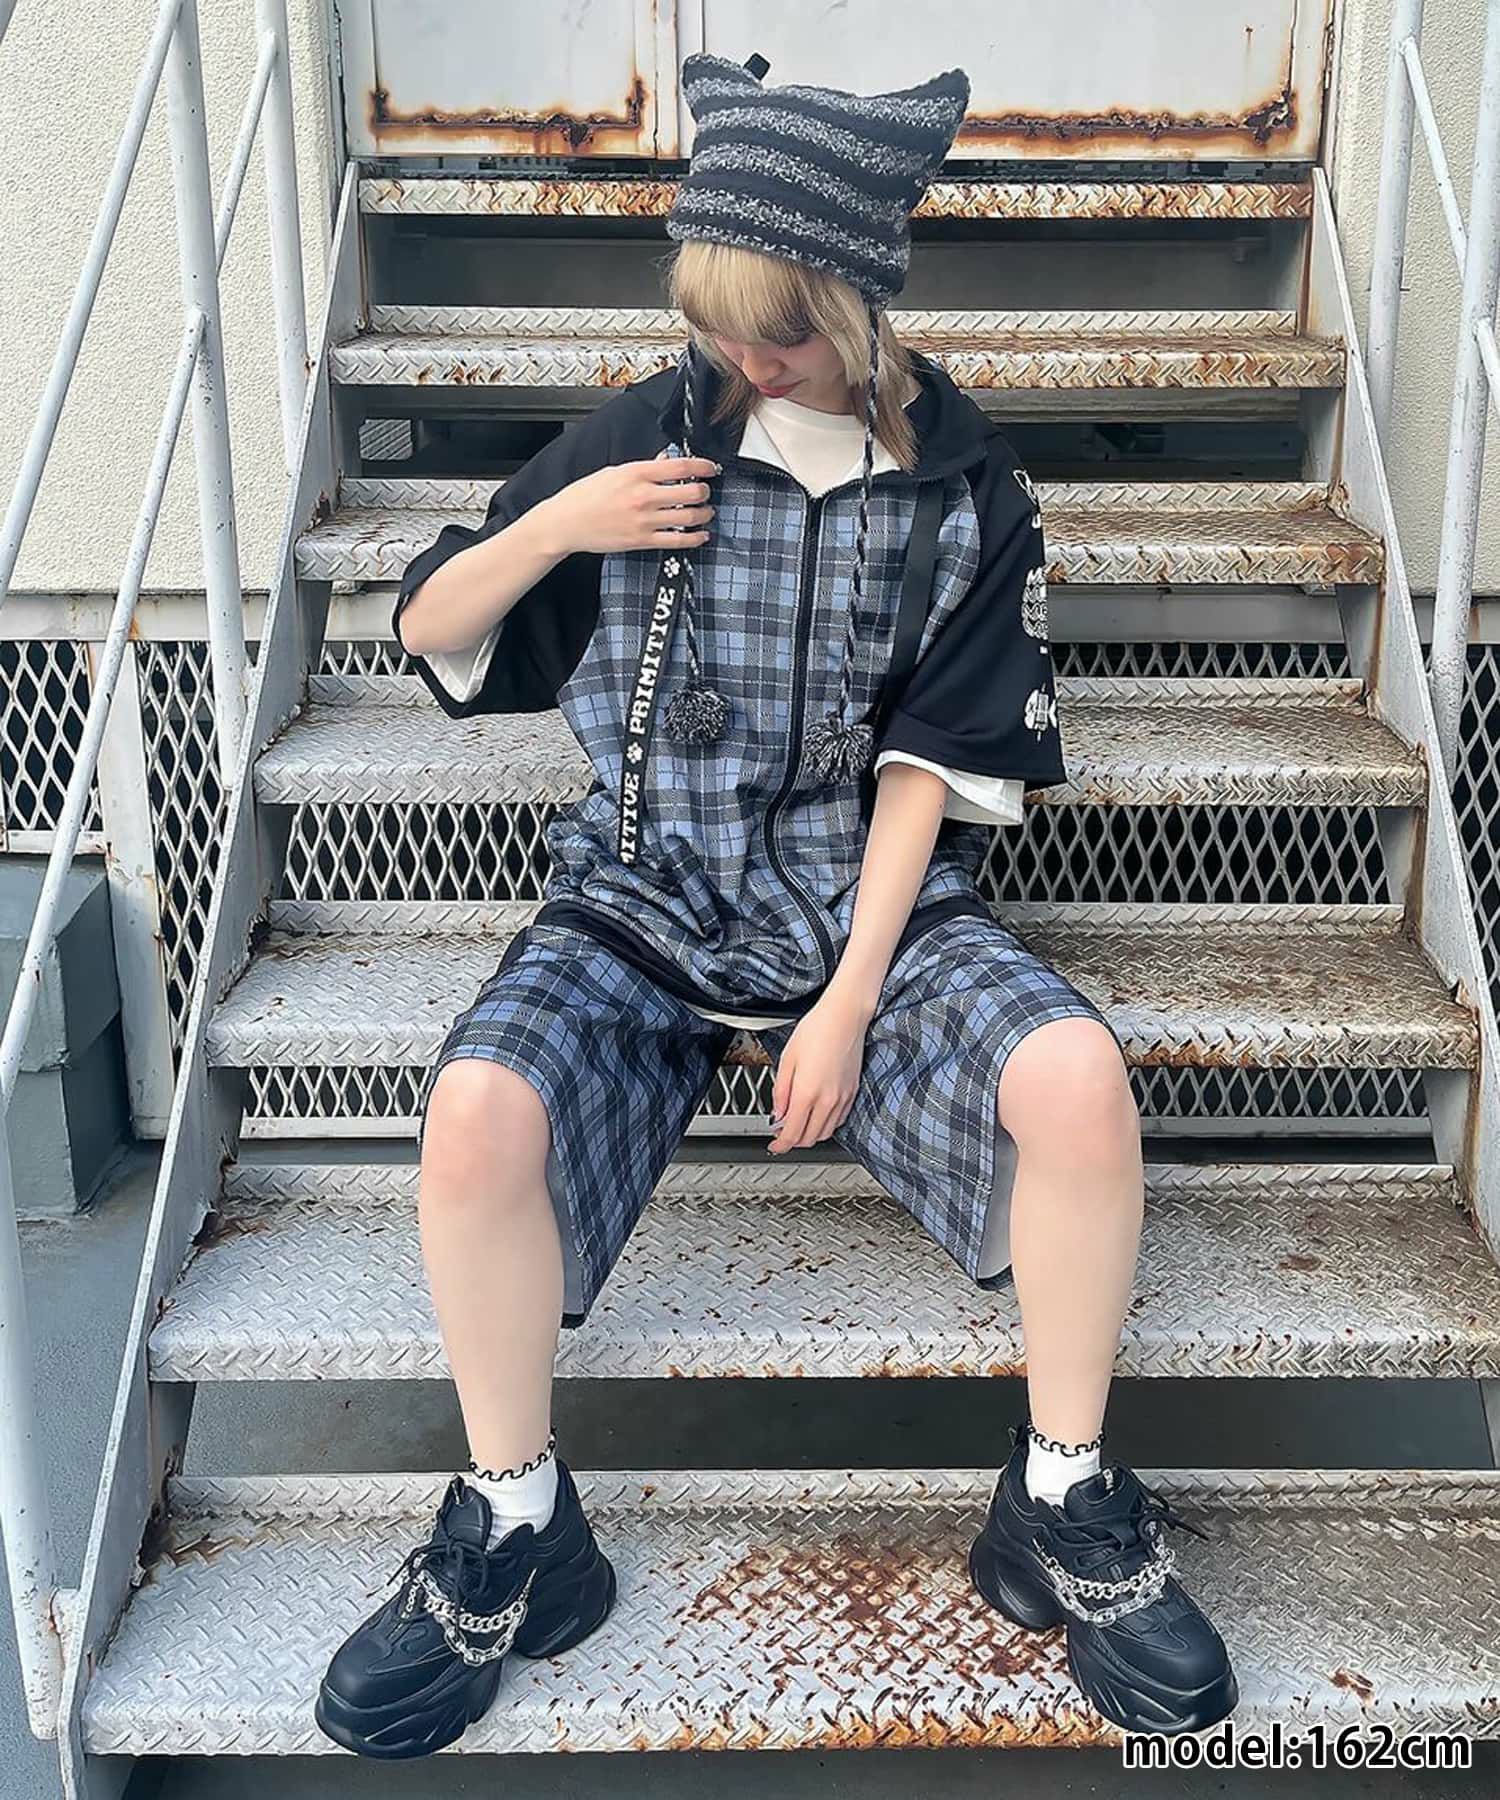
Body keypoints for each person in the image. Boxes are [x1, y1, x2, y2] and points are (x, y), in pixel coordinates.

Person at [313, 50, 1238, 1760]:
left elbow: (930, 769)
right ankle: (519, 1525)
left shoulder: (964, 487)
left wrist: (849, 1000)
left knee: (1077, 1084)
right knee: (474, 1114)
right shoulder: (649, 436)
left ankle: (1058, 1498)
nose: (750, 360)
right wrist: (563, 524)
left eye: (786, 331)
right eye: (721, 323)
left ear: (863, 296)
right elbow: (430, 627)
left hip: (858, 905)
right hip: (647, 888)